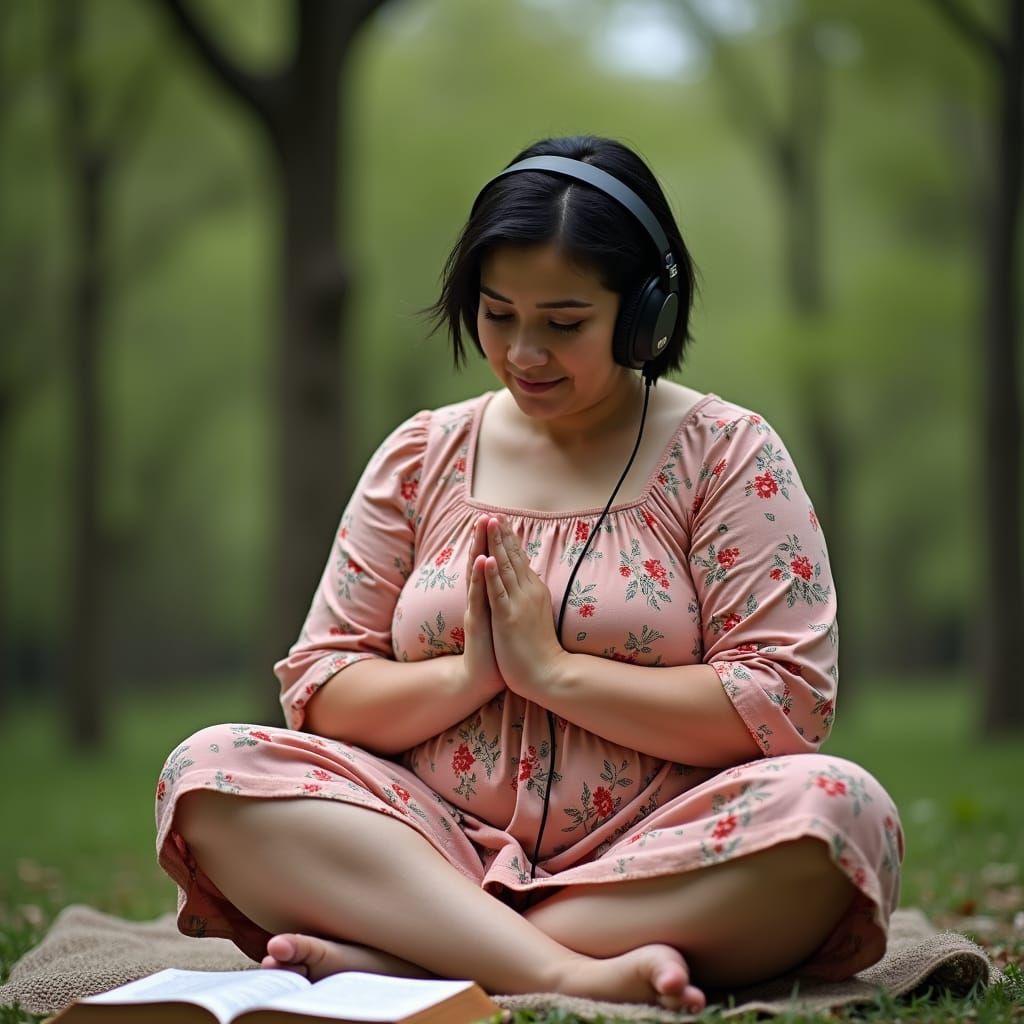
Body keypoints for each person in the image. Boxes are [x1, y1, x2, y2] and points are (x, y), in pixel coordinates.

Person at [156, 135, 902, 1012]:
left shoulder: (727, 455)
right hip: (420, 846)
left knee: (838, 810)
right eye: (498, 314)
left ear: (646, 315)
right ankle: (559, 970)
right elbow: (321, 689)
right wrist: (469, 675)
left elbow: (786, 701)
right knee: (209, 770)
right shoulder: (420, 455)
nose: (523, 354)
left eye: (564, 323)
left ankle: (421, 950)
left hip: (651, 853)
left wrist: (554, 673)